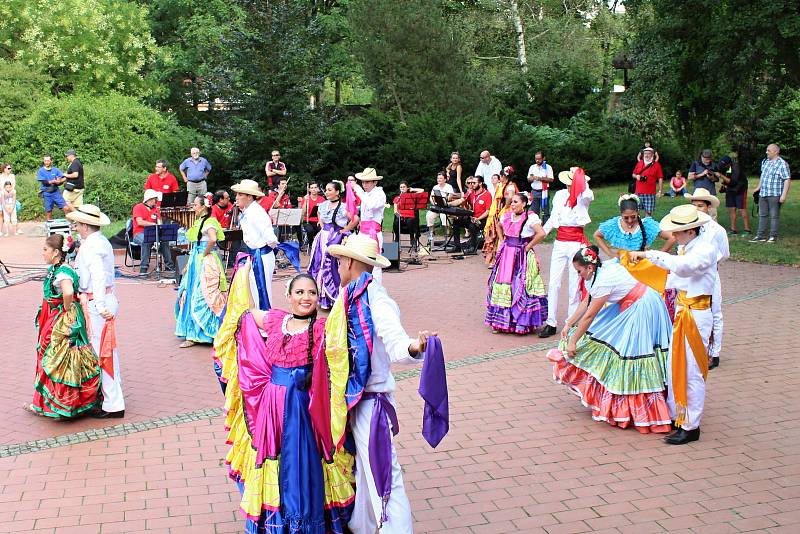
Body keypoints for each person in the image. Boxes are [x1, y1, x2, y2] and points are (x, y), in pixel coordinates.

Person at [218, 273, 355, 532]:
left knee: (302, 461)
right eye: (300, 292)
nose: (306, 297)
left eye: (312, 293)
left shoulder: (322, 327)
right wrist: (243, 276)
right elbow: (246, 314)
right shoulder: (276, 320)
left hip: (303, 408)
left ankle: (303, 520)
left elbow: (345, 333)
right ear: (288, 296)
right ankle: (276, 519)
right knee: (274, 457)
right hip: (272, 405)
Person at [326, 234, 433, 534]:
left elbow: (397, 343)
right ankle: (362, 524)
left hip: (371, 402)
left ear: (348, 261)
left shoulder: (376, 298)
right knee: (364, 468)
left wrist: (416, 347)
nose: (337, 267)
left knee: (385, 475)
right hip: (354, 400)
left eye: (339, 262)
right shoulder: (351, 295)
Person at [547, 245, 673, 433]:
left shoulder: (603, 279)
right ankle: (625, 405)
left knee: (633, 352)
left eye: (579, 271)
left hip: (643, 305)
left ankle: (644, 411)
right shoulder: (597, 273)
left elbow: (590, 315)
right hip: (631, 303)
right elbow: (586, 301)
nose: (578, 274)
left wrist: (573, 340)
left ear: (589, 267)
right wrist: (569, 323)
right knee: (618, 346)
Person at [629, 204, 717, 445]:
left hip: (696, 314)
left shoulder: (704, 250)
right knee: (676, 365)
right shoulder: (687, 247)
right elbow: (673, 277)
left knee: (691, 372)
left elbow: (681, 267)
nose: (674, 236)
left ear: (690, 231)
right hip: (684, 310)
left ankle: (691, 425)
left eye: (677, 232)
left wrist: (649, 255)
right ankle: (680, 416)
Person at [25, 234, 101, 418]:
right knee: (59, 357)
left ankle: (59, 405)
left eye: (45, 249)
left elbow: (67, 291)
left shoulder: (62, 272)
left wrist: (65, 309)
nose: (42, 253)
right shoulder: (58, 268)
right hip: (58, 316)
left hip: (62, 320)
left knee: (57, 358)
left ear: (56, 252)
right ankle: (52, 404)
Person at [67, 204, 125, 418]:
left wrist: (100, 305)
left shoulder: (93, 246)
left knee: (104, 353)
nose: (75, 226)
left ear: (85, 225)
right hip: (100, 298)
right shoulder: (98, 242)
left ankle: (113, 403)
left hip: (96, 301)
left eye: (78, 223)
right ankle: (109, 398)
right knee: (105, 351)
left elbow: (99, 276)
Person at [538, 167, 594, 337]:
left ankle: (570, 322)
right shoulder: (560, 195)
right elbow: (554, 217)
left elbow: (588, 195)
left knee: (574, 284)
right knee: (554, 282)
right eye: (569, 183)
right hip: (560, 242)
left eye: (573, 183)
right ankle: (551, 322)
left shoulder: (583, 197)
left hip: (576, 243)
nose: (571, 187)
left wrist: (581, 182)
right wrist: (540, 233)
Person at [485, 193, 548, 334]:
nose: (512, 204)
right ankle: (501, 322)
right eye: (511, 202)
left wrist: (528, 247)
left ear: (524, 204)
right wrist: (502, 240)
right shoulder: (507, 216)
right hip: (507, 254)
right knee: (504, 283)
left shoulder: (531, 217)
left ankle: (520, 322)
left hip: (522, 255)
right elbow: (498, 225)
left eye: (515, 202)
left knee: (521, 284)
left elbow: (541, 233)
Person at [175, 193, 227, 348]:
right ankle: (193, 333)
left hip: (205, 261)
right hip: (197, 259)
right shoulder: (200, 221)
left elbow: (212, 239)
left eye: (196, 205)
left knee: (203, 294)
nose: (194, 207)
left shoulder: (210, 221)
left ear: (203, 206)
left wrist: (204, 253)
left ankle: (202, 333)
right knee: (190, 292)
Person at [593, 194, 676, 293]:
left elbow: (672, 237)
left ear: (638, 212)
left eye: (633, 217)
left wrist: (657, 254)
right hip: (622, 266)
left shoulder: (647, 224)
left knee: (643, 293)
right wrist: (611, 254)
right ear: (620, 214)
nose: (630, 220)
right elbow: (597, 235)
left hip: (642, 266)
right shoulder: (614, 224)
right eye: (626, 218)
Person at [685, 188, 729, 370]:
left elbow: (724, 253)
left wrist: (709, 263)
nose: (697, 209)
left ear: (708, 207)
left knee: (714, 311)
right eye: (694, 205)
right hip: (690, 277)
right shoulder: (688, 227)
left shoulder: (716, 230)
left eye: (700, 206)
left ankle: (713, 352)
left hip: (709, 275)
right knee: (691, 310)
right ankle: (694, 347)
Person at [307, 180, 359, 309]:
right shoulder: (323, 205)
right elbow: (319, 214)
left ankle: (335, 297)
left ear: (337, 192)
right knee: (319, 264)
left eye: (330, 190)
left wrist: (344, 230)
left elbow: (355, 219)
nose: (327, 192)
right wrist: (322, 224)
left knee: (333, 266)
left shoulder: (343, 207)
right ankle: (323, 298)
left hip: (336, 238)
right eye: (326, 189)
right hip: (323, 237)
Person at [750, 143, 791, 244]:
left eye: (769, 150)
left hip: (775, 194)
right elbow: (763, 176)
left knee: (774, 216)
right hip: (763, 193)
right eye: (767, 150)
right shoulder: (765, 162)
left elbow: (787, 179)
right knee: (762, 215)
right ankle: (760, 236)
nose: (766, 152)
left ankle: (773, 236)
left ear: (776, 151)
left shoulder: (782, 164)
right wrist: (758, 187)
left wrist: (784, 195)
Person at [351, 167, 387, 281]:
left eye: (367, 182)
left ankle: (376, 291)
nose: (364, 185)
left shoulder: (379, 194)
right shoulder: (367, 194)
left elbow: (372, 205)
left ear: (375, 182)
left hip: (373, 233)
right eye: (363, 182)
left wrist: (359, 191)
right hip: (363, 232)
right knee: (361, 262)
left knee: (375, 264)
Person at [131, 189, 176, 275]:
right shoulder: (138, 207)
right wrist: (153, 224)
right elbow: (139, 222)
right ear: (149, 199)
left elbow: (159, 222)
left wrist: (160, 225)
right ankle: (143, 268)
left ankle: (169, 266)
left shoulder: (156, 209)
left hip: (153, 233)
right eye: (155, 199)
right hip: (139, 233)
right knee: (146, 241)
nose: (156, 201)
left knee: (165, 240)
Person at [482, 170, 518, 267]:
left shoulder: (510, 186)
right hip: (499, 211)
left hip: (505, 212)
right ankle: (496, 259)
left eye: (500, 176)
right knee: (497, 234)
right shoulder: (503, 186)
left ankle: (500, 259)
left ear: (503, 176)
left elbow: (510, 197)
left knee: (500, 234)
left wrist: (506, 206)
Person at [718, 155, 751, 235]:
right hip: (730, 190)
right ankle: (733, 229)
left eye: (724, 165)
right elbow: (727, 178)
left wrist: (721, 176)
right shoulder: (724, 167)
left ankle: (747, 229)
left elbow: (733, 181)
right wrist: (723, 185)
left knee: (741, 208)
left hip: (740, 189)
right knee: (731, 209)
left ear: (729, 164)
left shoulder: (736, 167)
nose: (723, 167)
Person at [37, 154, 72, 220]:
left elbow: (64, 178)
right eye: (45, 161)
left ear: (51, 161)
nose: (46, 162)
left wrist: (60, 181)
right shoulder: (41, 171)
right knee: (49, 212)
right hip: (47, 193)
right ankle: (50, 228)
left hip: (56, 192)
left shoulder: (56, 170)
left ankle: (70, 225)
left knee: (66, 208)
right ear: (43, 161)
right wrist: (54, 181)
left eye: (48, 161)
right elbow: (44, 182)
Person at [631, 147, 664, 216]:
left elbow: (660, 178)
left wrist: (660, 191)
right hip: (638, 192)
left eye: (649, 153)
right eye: (645, 153)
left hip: (650, 193)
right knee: (636, 212)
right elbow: (633, 174)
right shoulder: (639, 163)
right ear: (643, 155)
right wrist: (636, 176)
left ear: (652, 155)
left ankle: (647, 225)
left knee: (648, 213)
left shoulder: (656, 165)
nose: (646, 155)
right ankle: (639, 225)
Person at [392, 181, 425, 250]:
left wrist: (412, 189)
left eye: (404, 187)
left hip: (410, 217)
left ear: (407, 188)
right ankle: (397, 238)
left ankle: (412, 237)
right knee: (396, 222)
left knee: (410, 220)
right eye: (401, 187)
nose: (402, 188)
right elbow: (395, 211)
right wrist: (399, 215)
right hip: (401, 217)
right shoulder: (397, 198)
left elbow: (422, 190)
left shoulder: (412, 196)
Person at [425, 171, 455, 243]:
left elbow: (450, 196)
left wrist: (445, 200)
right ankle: (431, 232)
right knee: (429, 215)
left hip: (445, 207)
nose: (439, 180)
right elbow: (431, 197)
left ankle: (447, 231)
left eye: (441, 178)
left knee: (443, 216)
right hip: (436, 206)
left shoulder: (449, 187)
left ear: (445, 179)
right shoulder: (435, 187)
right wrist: (433, 203)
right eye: (438, 178)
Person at [526, 151, 554, 215]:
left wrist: (539, 178)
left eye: (539, 159)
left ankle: (545, 224)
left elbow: (551, 179)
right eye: (536, 159)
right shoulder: (532, 167)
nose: (537, 160)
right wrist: (531, 179)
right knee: (534, 213)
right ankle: (536, 224)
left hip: (544, 192)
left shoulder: (548, 167)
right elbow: (528, 179)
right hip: (534, 192)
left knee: (545, 212)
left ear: (543, 158)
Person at [298, 181, 325, 247]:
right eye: (312, 188)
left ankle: (319, 246)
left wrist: (320, 221)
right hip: (307, 220)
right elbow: (303, 212)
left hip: (318, 220)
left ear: (318, 189)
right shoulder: (306, 198)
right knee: (310, 231)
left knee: (322, 230)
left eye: (315, 187)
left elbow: (324, 212)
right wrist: (305, 202)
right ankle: (311, 245)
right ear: (309, 189)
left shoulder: (322, 199)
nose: (314, 189)